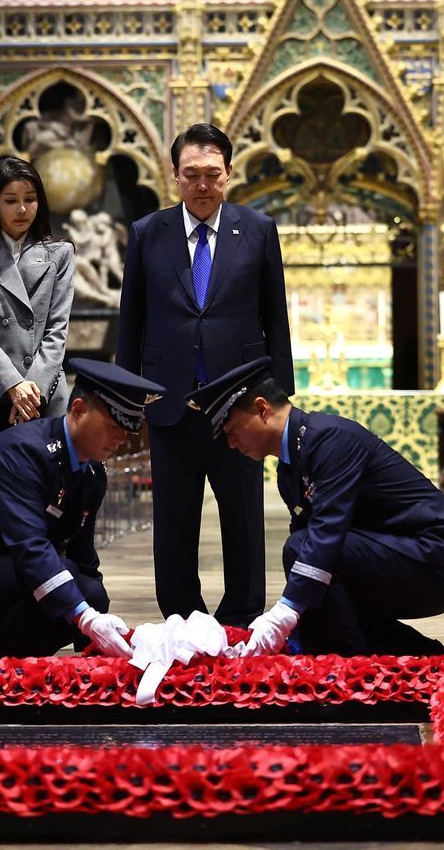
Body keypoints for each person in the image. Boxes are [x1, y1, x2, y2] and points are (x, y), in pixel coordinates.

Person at [185, 357, 444, 657]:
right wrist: (287, 621)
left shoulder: (329, 438)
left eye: (232, 429)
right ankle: (416, 658)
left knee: (303, 551)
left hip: (438, 559)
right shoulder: (290, 467)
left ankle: (346, 665)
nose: (231, 443)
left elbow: (326, 533)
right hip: (400, 554)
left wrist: (286, 611)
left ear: (262, 409)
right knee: (312, 578)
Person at [115, 123, 294, 627]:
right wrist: (128, 397)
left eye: (212, 174)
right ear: (174, 176)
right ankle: (181, 614)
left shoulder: (257, 229)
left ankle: (240, 614)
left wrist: (278, 397)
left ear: (229, 173)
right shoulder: (149, 232)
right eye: (190, 174)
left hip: (239, 403)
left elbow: (274, 316)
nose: (201, 184)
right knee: (173, 518)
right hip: (169, 398)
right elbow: (132, 319)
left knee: (243, 515)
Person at [0, 359, 165, 660]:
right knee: (69, 588)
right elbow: (29, 545)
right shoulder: (22, 453)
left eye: (126, 432)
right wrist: (85, 618)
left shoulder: (92, 473)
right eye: (113, 427)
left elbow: (83, 556)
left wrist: (95, 640)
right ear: (77, 410)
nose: (119, 440)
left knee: (89, 591)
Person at [0, 156, 75, 461]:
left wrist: (30, 389)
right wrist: (13, 385)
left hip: (44, 387)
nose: (22, 209)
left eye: (30, 199)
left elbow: (57, 329)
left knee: (49, 492)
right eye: (11, 200)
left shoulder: (60, 253)